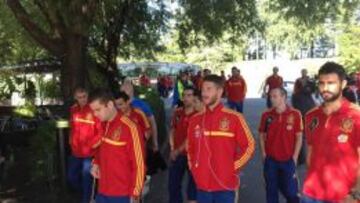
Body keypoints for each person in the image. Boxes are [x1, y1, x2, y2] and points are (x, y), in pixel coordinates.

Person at [187, 75, 255, 203]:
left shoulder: (235, 118)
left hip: (225, 186)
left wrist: (233, 166)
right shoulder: (195, 120)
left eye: (208, 89)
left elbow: (250, 145)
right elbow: (190, 147)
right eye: (203, 89)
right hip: (202, 187)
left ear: (219, 91)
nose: (204, 93)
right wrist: (194, 168)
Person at [302, 62, 360, 203]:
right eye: (321, 83)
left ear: (343, 83)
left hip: (343, 197)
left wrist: (356, 193)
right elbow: (310, 152)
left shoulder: (356, 115)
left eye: (331, 83)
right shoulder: (311, 116)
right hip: (311, 194)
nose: (325, 88)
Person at [89, 89, 145, 203]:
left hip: (122, 194)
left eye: (98, 110)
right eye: (93, 111)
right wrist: (96, 163)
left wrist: (135, 194)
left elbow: (139, 164)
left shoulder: (130, 127)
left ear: (109, 104)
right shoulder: (103, 124)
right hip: (102, 191)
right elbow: (101, 149)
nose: (95, 114)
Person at [259, 87, 303, 203]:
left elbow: (299, 137)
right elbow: (261, 135)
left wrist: (295, 157)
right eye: (270, 96)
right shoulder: (266, 115)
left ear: (283, 97)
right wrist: (263, 154)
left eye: (275, 96)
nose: (271, 99)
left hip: (288, 159)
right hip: (271, 160)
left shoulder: (295, 114)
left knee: (292, 193)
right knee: (271, 191)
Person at [68, 87, 102, 203]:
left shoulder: (93, 109)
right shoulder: (73, 109)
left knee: (86, 178)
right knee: (71, 177)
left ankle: (86, 199)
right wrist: (70, 140)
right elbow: (72, 127)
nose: (82, 99)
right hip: (76, 152)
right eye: (79, 97)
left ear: (88, 96)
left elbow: (100, 131)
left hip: (90, 153)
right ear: (75, 98)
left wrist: (93, 145)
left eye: (84, 97)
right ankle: (86, 193)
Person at [168, 87, 198, 203]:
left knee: (193, 189)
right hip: (177, 155)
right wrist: (172, 148)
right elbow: (172, 130)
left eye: (189, 95)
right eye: (184, 95)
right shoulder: (178, 112)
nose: (185, 98)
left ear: (195, 97)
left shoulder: (198, 115)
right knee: (173, 186)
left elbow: (191, 137)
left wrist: (177, 150)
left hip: (192, 156)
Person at [120, 80, 159, 152]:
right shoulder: (118, 106)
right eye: (121, 90)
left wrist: (155, 142)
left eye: (124, 91)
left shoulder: (142, 105)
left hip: (139, 145)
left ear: (130, 91)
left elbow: (152, 123)